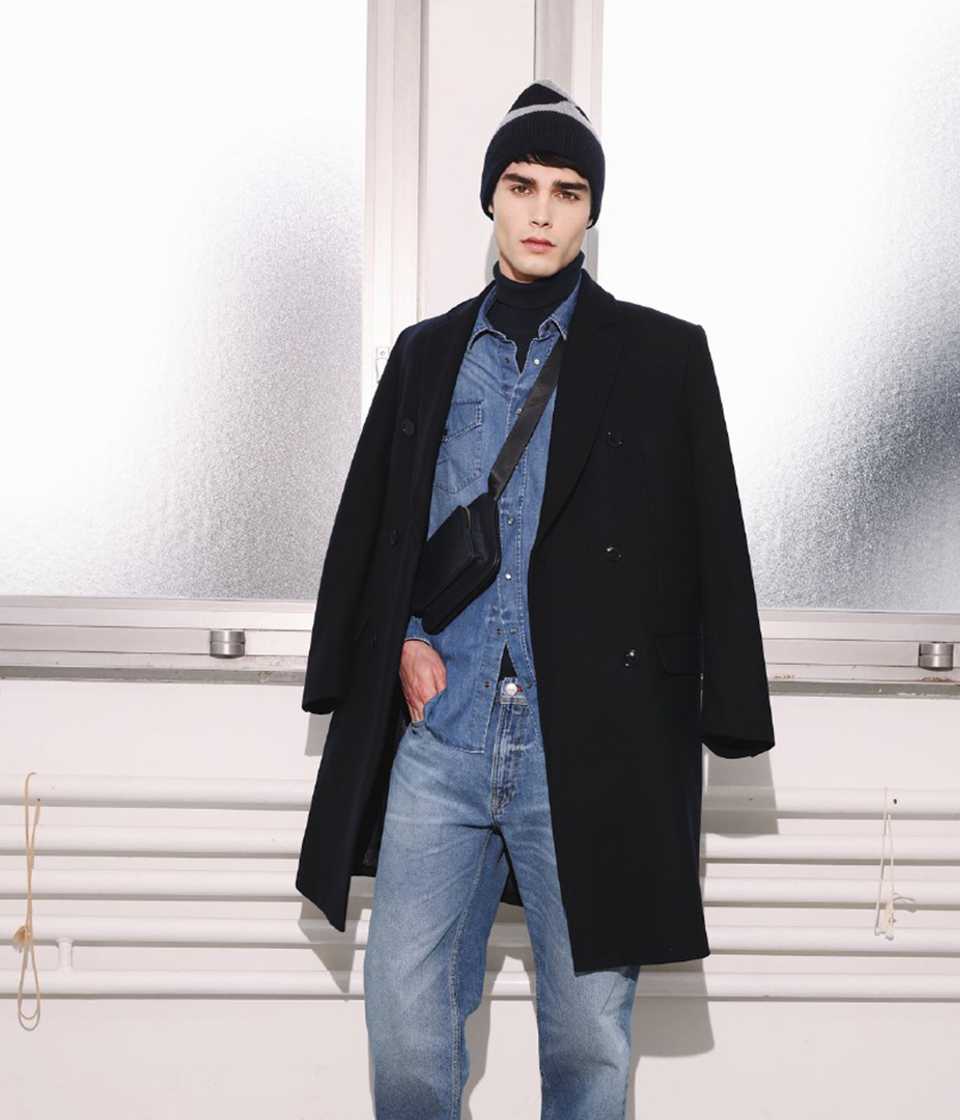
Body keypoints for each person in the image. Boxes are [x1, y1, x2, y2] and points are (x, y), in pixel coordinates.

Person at [298, 77, 774, 1120]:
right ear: (491, 198)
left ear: (592, 209)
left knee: (590, 1045)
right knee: (407, 1032)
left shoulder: (661, 356)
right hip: (445, 734)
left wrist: (732, 708)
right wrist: (398, 639)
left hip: (589, 744)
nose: (543, 212)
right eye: (522, 186)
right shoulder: (426, 355)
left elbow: (712, 537)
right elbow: (377, 525)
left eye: (568, 190)